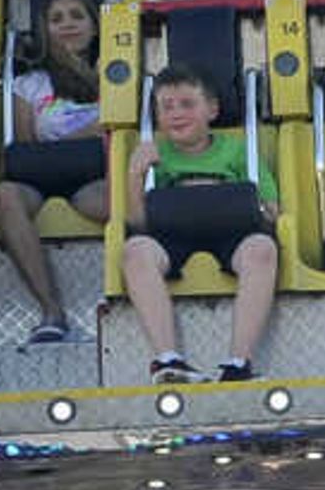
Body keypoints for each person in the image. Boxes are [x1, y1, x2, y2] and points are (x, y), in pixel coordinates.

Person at [118, 62, 279, 384]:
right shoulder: (154, 155)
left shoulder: (237, 150)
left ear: (212, 110)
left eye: (188, 104)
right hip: (172, 237)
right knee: (135, 251)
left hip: (231, 235)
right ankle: (167, 359)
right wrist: (135, 175)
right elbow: (137, 222)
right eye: (167, 107)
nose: (177, 113)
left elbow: (272, 209)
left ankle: (238, 363)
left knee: (262, 249)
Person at [0, 0, 111, 347]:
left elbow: (120, 129)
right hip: (43, 177)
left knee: (120, 198)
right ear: (45, 30)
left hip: (92, 178)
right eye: (56, 19)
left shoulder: (112, 77)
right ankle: (52, 312)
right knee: (3, 196)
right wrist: (86, 133)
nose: (67, 24)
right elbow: (27, 146)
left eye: (76, 16)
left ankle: (122, 298)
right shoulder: (30, 84)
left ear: (94, 25)